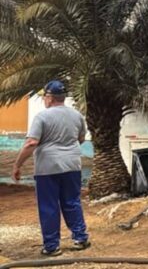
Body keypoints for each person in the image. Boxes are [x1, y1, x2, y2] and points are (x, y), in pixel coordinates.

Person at [12, 80, 90, 256]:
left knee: (49, 206)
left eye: (44, 97)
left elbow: (31, 142)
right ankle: (80, 238)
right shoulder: (76, 115)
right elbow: (81, 138)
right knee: (72, 201)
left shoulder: (42, 117)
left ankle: (52, 246)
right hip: (72, 165)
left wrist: (17, 165)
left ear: (49, 97)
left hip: (48, 168)